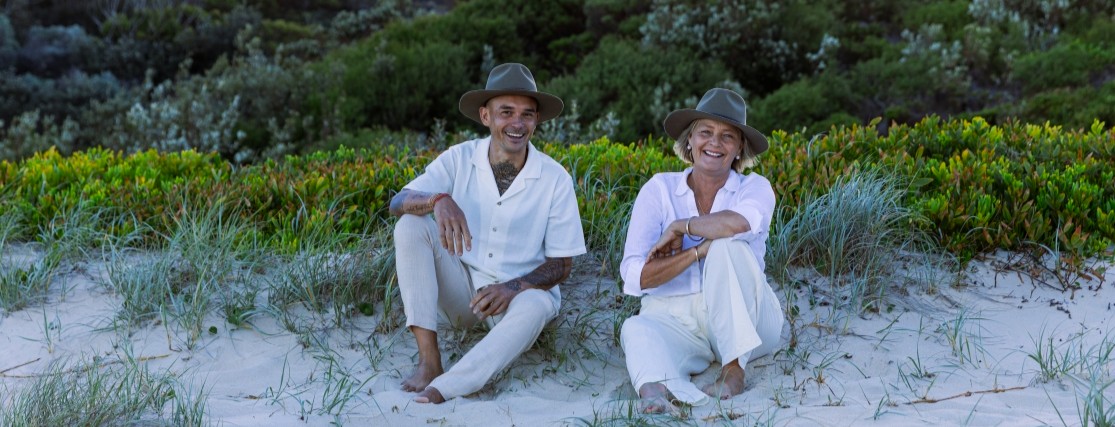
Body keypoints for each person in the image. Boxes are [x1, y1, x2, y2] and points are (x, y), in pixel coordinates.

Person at [388, 63, 586, 404]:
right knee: (410, 225)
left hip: (518, 297)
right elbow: (398, 201)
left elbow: (561, 265)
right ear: (485, 116)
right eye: (505, 112)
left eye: (527, 114)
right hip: (461, 289)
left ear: (536, 121)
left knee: (539, 304)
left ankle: (452, 385)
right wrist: (438, 199)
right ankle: (429, 362)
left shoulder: (555, 178)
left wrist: (513, 287)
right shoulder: (459, 158)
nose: (517, 123)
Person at [618, 88, 784, 413]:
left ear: (739, 149)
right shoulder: (659, 189)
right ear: (690, 141)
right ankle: (655, 389)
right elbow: (635, 278)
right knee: (635, 327)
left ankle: (734, 368)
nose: (715, 143)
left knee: (725, 247)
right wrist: (695, 253)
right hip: (676, 318)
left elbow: (737, 224)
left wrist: (682, 226)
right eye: (705, 133)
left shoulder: (755, 187)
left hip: (750, 319)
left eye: (727, 137)